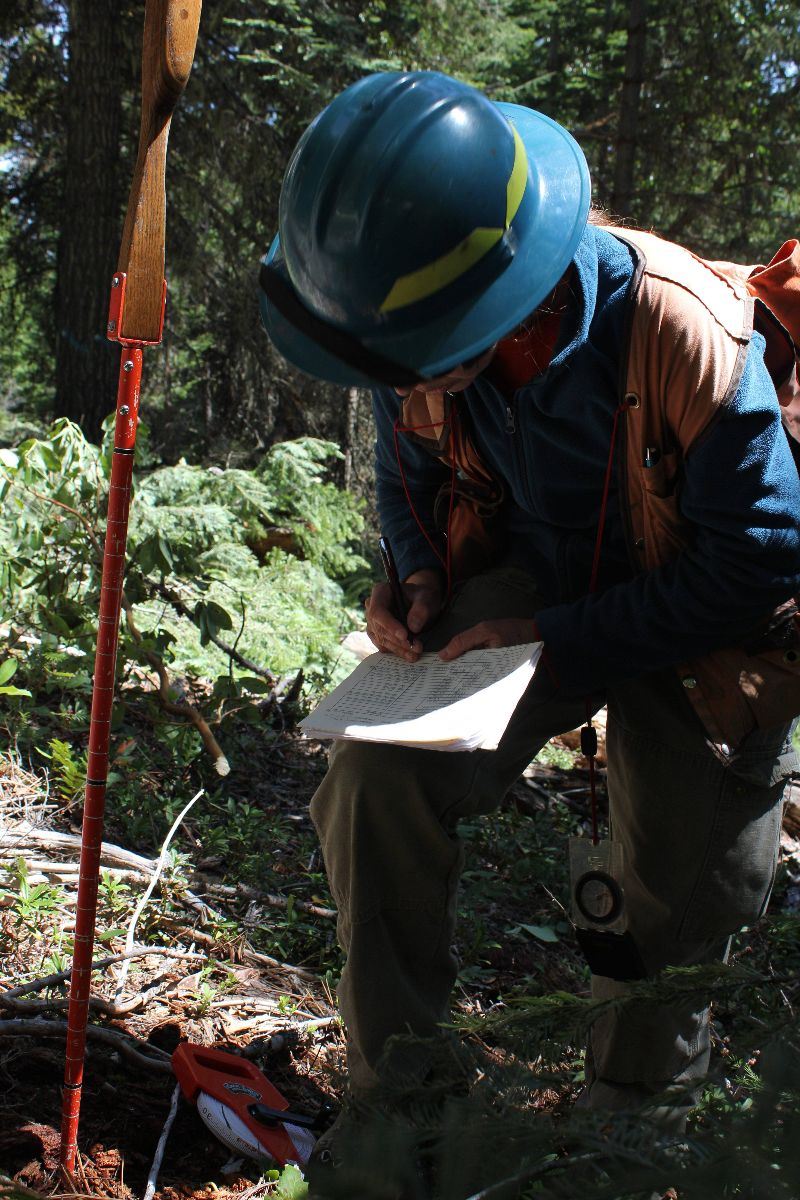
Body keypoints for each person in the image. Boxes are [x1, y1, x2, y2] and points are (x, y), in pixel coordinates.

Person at [258, 69, 800, 1168]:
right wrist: (413, 580)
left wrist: (568, 642)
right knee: (373, 776)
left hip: (693, 607)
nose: (401, 379)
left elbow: (759, 554)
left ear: (512, 301)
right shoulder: (403, 323)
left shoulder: (685, 332)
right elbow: (406, 479)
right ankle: (406, 1106)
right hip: (533, 584)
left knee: (687, 890)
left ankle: (627, 1136)